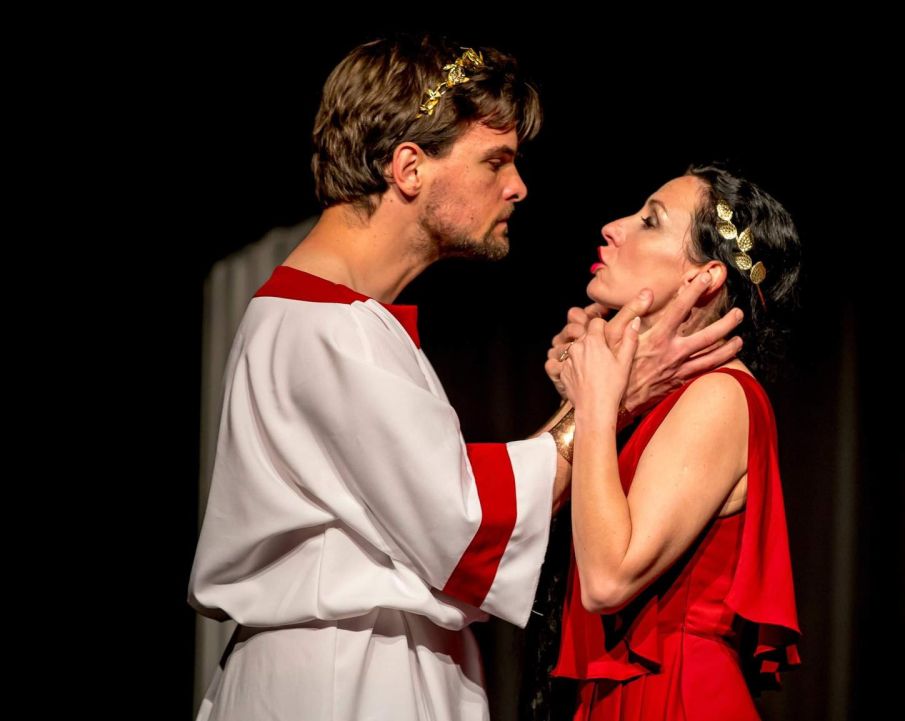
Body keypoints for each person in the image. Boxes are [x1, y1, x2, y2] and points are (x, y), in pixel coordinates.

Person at [187, 35, 741, 721]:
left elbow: (447, 498)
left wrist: (589, 401)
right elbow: (469, 527)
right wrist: (608, 401)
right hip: (342, 681)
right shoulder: (328, 326)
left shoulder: (334, 318)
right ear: (409, 168)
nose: (518, 186)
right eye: (495, 160)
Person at [546, 165, 802, 719]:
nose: (614, 227)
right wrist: (589, 398)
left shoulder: (720, 395)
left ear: (704, 278)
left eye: (650, 221)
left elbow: (607, 579)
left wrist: (595, 403)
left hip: (675, 696)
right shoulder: (654, 400)